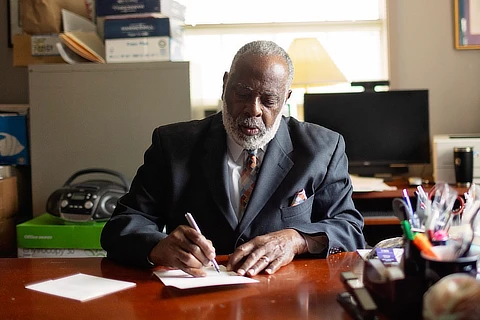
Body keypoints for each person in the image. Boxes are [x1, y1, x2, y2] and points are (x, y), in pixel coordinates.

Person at [101, 40, 365, 277]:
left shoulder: (323, 149)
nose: (253, 109)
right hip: (195, 298)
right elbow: (123, 225)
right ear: (225, 84)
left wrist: (295, 240)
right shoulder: (172, 144)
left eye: (269, 99)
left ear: (285, 98)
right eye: (242, 93)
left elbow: (349, 228)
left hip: (285, 296)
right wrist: (157, 247)